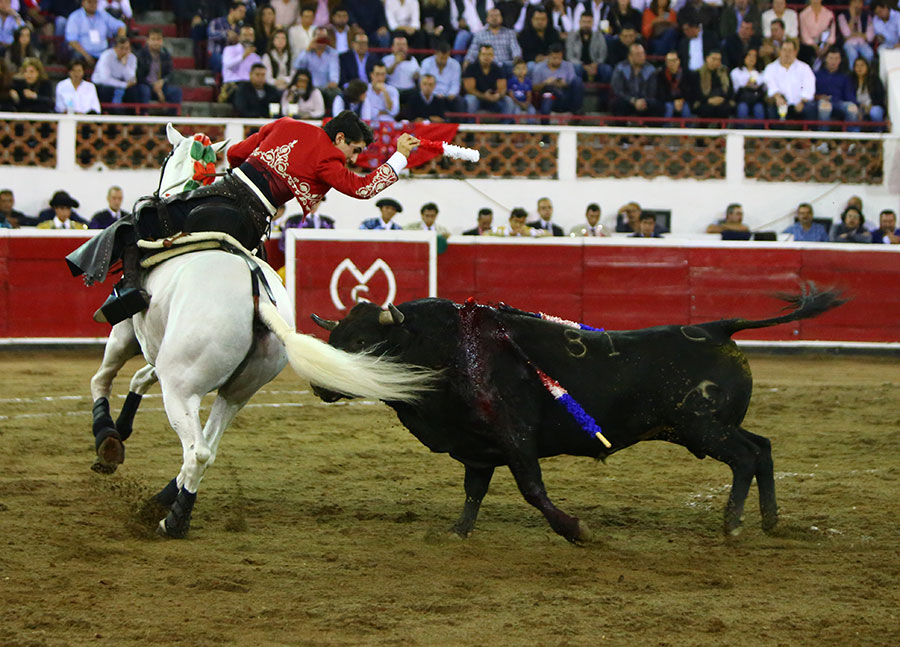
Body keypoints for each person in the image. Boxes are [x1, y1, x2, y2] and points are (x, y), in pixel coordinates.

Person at [66, 111, 423, 325]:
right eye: (355, 150)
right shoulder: (328, 157)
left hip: (222, 194)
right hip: (249, 221)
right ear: (340, 137)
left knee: (145, 215)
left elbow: (236, 153)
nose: (354, 158)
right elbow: (362, 189)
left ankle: (127, 287)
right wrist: (399, 157)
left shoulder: (285, 123)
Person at [763, 39, 816, 122]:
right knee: (770, 106)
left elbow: (809, 88)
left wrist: (802, 101)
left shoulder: (805, 68)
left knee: (810, 107)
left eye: (790, 50)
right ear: (779, 51)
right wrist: (777, 97)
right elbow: (770, 86)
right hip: (779, 105)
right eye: (784, 50)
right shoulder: (770, 68)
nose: (787, 53)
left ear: (795, 52)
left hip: (800, 105)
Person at [65, 0, 126, 66]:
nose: (93, 4)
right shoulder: (75, 17)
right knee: (76, 56)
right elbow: (72, 40)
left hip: (102, 53)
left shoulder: (103, 14)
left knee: (119, 54)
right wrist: (86, 55)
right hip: (83, 53)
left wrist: (120, 42)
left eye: (95, 2)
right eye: (90, 2)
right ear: (83, 3)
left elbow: (121, 26)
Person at [610, 42, 662, 117]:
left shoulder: (650, 70)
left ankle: (648, 127)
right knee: (618, 103)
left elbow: (652, 91)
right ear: (630, 57)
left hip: (644, 103)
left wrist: (643, 101)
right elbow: (618, 91)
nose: (642, 57)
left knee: (657, 106)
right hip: (627, 101)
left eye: (643, 54)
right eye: (638, 54)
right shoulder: (620, 68)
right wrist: (633, 101)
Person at [463, 43, 514, 116]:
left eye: (489, 54)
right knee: (471, 99)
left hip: (494, 98)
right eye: (484, 54)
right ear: (479, 56)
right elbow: (470, 90)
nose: (486, 57)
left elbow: (502, 88)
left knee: (508, 101)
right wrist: (484, 96)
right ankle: (471, 124)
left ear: (493, 56)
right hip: (478, 97)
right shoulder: (471, 68)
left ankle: (505, 125)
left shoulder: (498, 69)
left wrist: (498, 95)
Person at [135, 28, 183, 107]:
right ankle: (143, 116)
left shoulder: (166, 55)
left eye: (158, 39)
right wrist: (154, 86)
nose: (156, 42)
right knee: (144, 90)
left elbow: (170, 73)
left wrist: (163, 81)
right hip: (146, 85)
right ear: (148, 41)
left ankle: (172, 118)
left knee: (176, 91)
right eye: (153, 39)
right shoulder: (140, 55)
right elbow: (139, 76)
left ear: (162, 41)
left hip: (160, 86)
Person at [293, 26, 340, 106]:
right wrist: (307, 49)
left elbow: (334, 74)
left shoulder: (333, 53)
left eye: (323, 38)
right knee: (295, 90)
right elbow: (297, 67)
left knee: (336, 92)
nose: (321, 41)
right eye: (319, 38)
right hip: (308, 87)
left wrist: (333, 82)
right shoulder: (307, 52)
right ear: (313, 38)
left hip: (326, 88)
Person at [532, 42, 582, 115]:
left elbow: (573, 83)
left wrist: (564, 84)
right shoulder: (539, 68)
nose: (557, 60)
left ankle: (577, 112)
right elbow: (534, 87)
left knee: (578, 81)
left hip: (565, 95)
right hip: (549, 95)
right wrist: (545, 83)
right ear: (548, 56)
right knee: (548, 92)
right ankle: (545, 124)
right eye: (554, 58)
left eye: (559, 58)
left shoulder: (568, 66)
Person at [92, 36, 143, 108]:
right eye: (122, 48)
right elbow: (105, 79)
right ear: (115, 48)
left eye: (127, 48)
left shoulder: (132, 58)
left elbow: (132, 79)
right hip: (103, 84)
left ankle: (131, 115)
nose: (125, 51)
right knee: (106, 90)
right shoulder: (106, 56)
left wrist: (124, 65)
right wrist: (123, 85)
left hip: (121, 82)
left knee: (134, 91)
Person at [814, 47, 857, 127]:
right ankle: (823, 137)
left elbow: (849, 95)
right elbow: (811, 93)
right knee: (825, 106)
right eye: (831, 58)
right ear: (826, 59)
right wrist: (818, 97)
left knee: (852, 108)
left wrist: (855, 105)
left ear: (840, 60)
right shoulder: (817, 75)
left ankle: (851, 137)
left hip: (839, 102)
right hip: (822, 101)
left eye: (836, 58)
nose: (833, 61)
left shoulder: (845, 77)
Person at [687, 49, 732, 120]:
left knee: (724, 109)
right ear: (707, 59)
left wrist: (721, 99)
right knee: (707, 109)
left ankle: (722, 130)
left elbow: (730, 91)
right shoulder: (698, 74)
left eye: (719, 59)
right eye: (714, 59)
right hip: (703, 101)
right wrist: (708, 100)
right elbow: (695, 93)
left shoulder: (725, 72)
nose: (716, 62)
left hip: (722, 101)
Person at [566, 12, 609, 83]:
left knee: (607, 69)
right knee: (576, 68)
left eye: (589, 22)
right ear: (579, 22)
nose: (586, 25)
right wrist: (584, 66)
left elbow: (603, 54)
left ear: (592, 23)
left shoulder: (599, 36)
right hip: (579, 65)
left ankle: (603, 93)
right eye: (584, 22)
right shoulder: (572, 36)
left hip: (595, 65)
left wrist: (595, 64)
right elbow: (570, 57)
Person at [420, 39, 462, 112]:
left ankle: (458, 123)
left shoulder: (455, 65)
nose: (443, 61)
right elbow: (423, 82)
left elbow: (455, 84)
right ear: (436, 53)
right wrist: (434, 94)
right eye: (441, 58)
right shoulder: (426, 63)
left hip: (448, 97)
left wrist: (451, 94)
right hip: (431, 94)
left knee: (460, 102)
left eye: (445, 58)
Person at [207, 1, 247, 74]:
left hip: (233, 56)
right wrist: (226, 34)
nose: (243, 15)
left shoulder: (240, 28)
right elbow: (211, 34)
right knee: (225, 62)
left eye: (244, 12)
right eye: (240, 11)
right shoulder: (217, 21)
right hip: (218, 53)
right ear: (232, 11)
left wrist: (239, 39)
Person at [382, 34, 420, 105]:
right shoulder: (386, 60)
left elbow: (417, 75)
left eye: (403, 45)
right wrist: (395, 63)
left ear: (407, 47)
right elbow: (385, 75)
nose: (401, 47)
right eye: (398, 44)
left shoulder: (413, 60)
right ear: (392, 47)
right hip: (393, 90)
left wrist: (417, 75)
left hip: (410, 91)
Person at [731, 48, 766, 124]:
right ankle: (741, 132)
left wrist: (756, 87)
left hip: (757, 100)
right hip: (742, 100)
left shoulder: (762, 73)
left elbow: (764, 89)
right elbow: (734, 90)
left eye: (754, 56)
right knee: (742, 108)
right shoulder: (736, 72)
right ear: (744, 57)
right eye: (749, 55)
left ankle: (759, 134)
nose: (751, 58)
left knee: (759, 109)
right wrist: (745, 85)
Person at [850, 56, 885, 127]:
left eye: (862, 65)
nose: (859, 68)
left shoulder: (875, 79)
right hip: (858, 107)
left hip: (873, 106)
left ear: (867, 66)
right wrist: (859, 107)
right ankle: (855, 135)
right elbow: (849, 96)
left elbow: (880, 97)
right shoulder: (851, 80)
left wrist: (870, 106)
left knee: (875, 112)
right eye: (857, 66)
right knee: (852, 111)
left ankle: (878, 133)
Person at [799, 0, 835, 67]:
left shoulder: (829, 14)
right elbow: (804, 35)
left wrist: (825, 47)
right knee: (805, 51)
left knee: (832, 52)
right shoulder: (803, 14)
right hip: (810, 45)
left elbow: (832, 35)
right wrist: (815, 47)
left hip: (825, 44)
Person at [838, 0, 874, 67]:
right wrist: (852, 17)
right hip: (849, 43)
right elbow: (847, 34)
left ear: (862, 4)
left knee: (869, 53)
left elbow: (870, 36)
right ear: (850, 3)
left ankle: (866, 74)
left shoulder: (866, 16)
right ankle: (853, 74)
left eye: (859, 2)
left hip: (862, 43)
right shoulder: (842, 16)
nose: (857, 5)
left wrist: (855, 34)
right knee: (852, 54)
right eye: (854, 2)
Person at [658, 50, 691, 118]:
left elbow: (689, 91)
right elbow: (661, 93)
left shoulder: (686, 73)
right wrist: (673, 101)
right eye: (669, 61)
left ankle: (688, 128)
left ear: (678, 61)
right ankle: (666, 127)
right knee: (669, 108)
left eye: (673, 60)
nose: (671, 63)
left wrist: (681, 100)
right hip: (667, 101)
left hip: (683, 100)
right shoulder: (661, 74)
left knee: (686, 110)